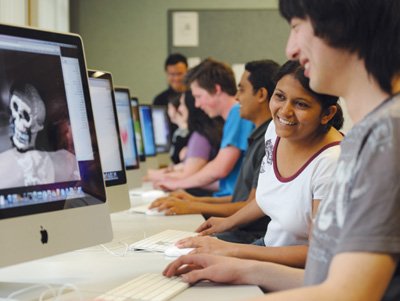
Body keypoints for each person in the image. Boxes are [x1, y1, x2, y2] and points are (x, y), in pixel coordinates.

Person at [163, 0, 400, 299]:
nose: (291, 50)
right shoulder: (365, 135)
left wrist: (238, 256)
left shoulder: (388, 135)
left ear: (342, 27)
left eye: (297, 27)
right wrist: (239, 269)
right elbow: (324, 280)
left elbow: (349, 294)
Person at [173, 60, 344, 268]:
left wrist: (232, 250)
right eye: (280, 96)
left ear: (327, 114)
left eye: (301, 104)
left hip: (291, 270)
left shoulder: (332, 162)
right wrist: (228, 222)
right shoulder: (275, 130)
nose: (285, 111)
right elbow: (268, 195)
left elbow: (317, 255)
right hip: (265, 248)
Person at [149, 59, 281, 244]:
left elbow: (221, 171)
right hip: (238, 222)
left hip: (246, 232)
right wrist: (191, 201)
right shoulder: (256, 135)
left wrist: (192, 203)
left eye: (198, 96)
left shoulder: (250, 124)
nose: (195, 105)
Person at [155, 58, 254, 197]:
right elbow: (227, 180)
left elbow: (219, 169)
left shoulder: (237, 114)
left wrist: (178, 183)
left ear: (216, 89)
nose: (196, 104)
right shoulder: (233, 117)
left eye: (199, 96)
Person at [144, 91, 224, 190]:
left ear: (191, 107)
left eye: (182, 104)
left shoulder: (200, 137)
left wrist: (151, 175)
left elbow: (187, 176)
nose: (180, 108)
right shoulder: (206, 132)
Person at [166, 93, 189, 165]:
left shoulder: (185, 132)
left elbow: (176, 158)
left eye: (169, 107)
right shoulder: (179, 131)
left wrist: (183, 128)